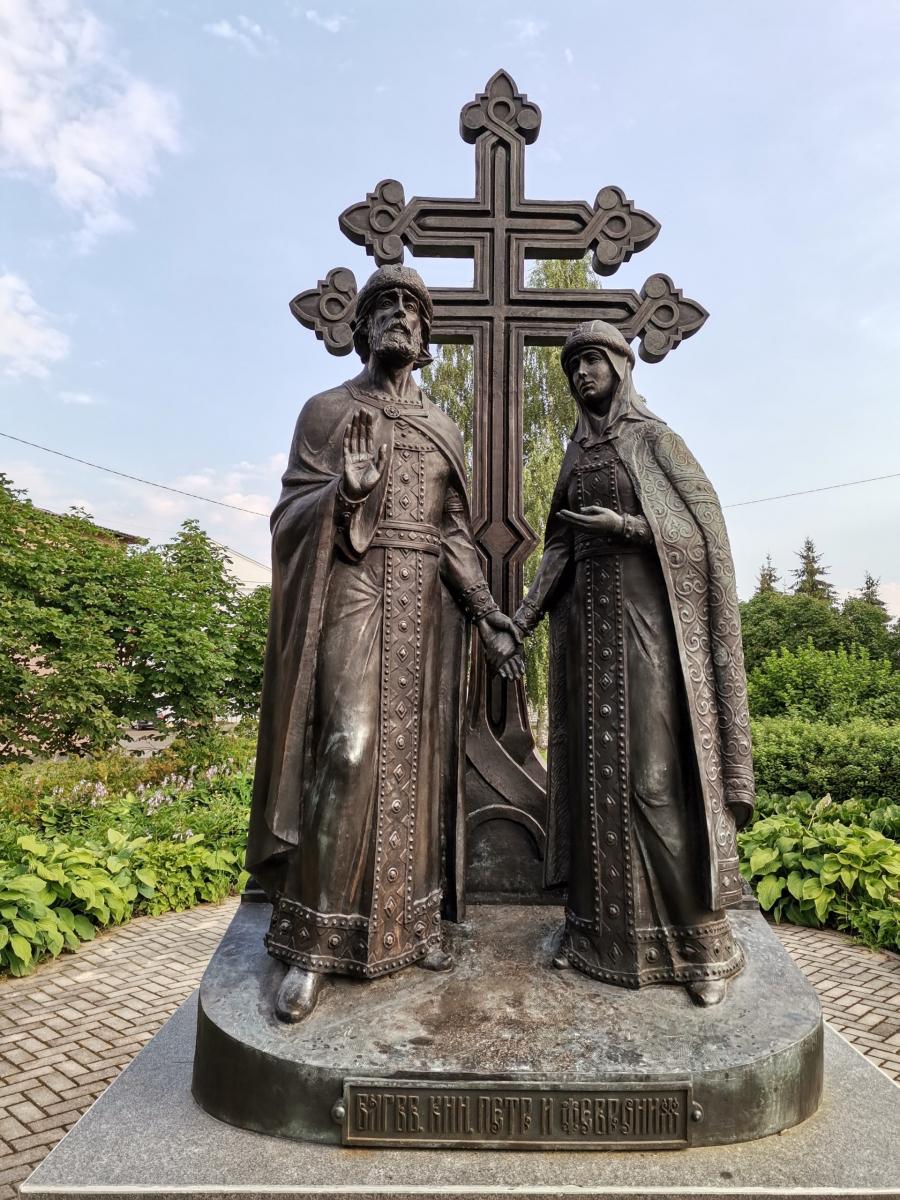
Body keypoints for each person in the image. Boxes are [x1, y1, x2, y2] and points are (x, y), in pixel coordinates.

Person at [246, 264, 522, 1022]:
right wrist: (348, 492)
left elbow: (455, 533)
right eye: (385, 306)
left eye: (412, 307)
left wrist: (486, 612)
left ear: (426, 334)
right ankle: (313, 945)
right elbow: (288, 518)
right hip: (354, 583)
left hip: (426, 603)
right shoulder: (326, 411)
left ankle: (409, 924)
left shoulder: (442, 426)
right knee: (349, 745)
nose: (400, 315)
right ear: (362, 328)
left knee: (419, 760)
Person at [513, 320, 754, 1006]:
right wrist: (522, 620)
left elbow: (702, 535)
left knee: (653, 781)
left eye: (592, 360)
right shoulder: (576, 454)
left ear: (621, 366)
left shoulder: (655, 441)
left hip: (651, 633)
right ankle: (594, 934)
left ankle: (700, 945)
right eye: (573, 367)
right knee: (594, 781)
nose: (581, 374)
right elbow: (558, 546)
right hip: (590, 642)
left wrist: (628, 529)